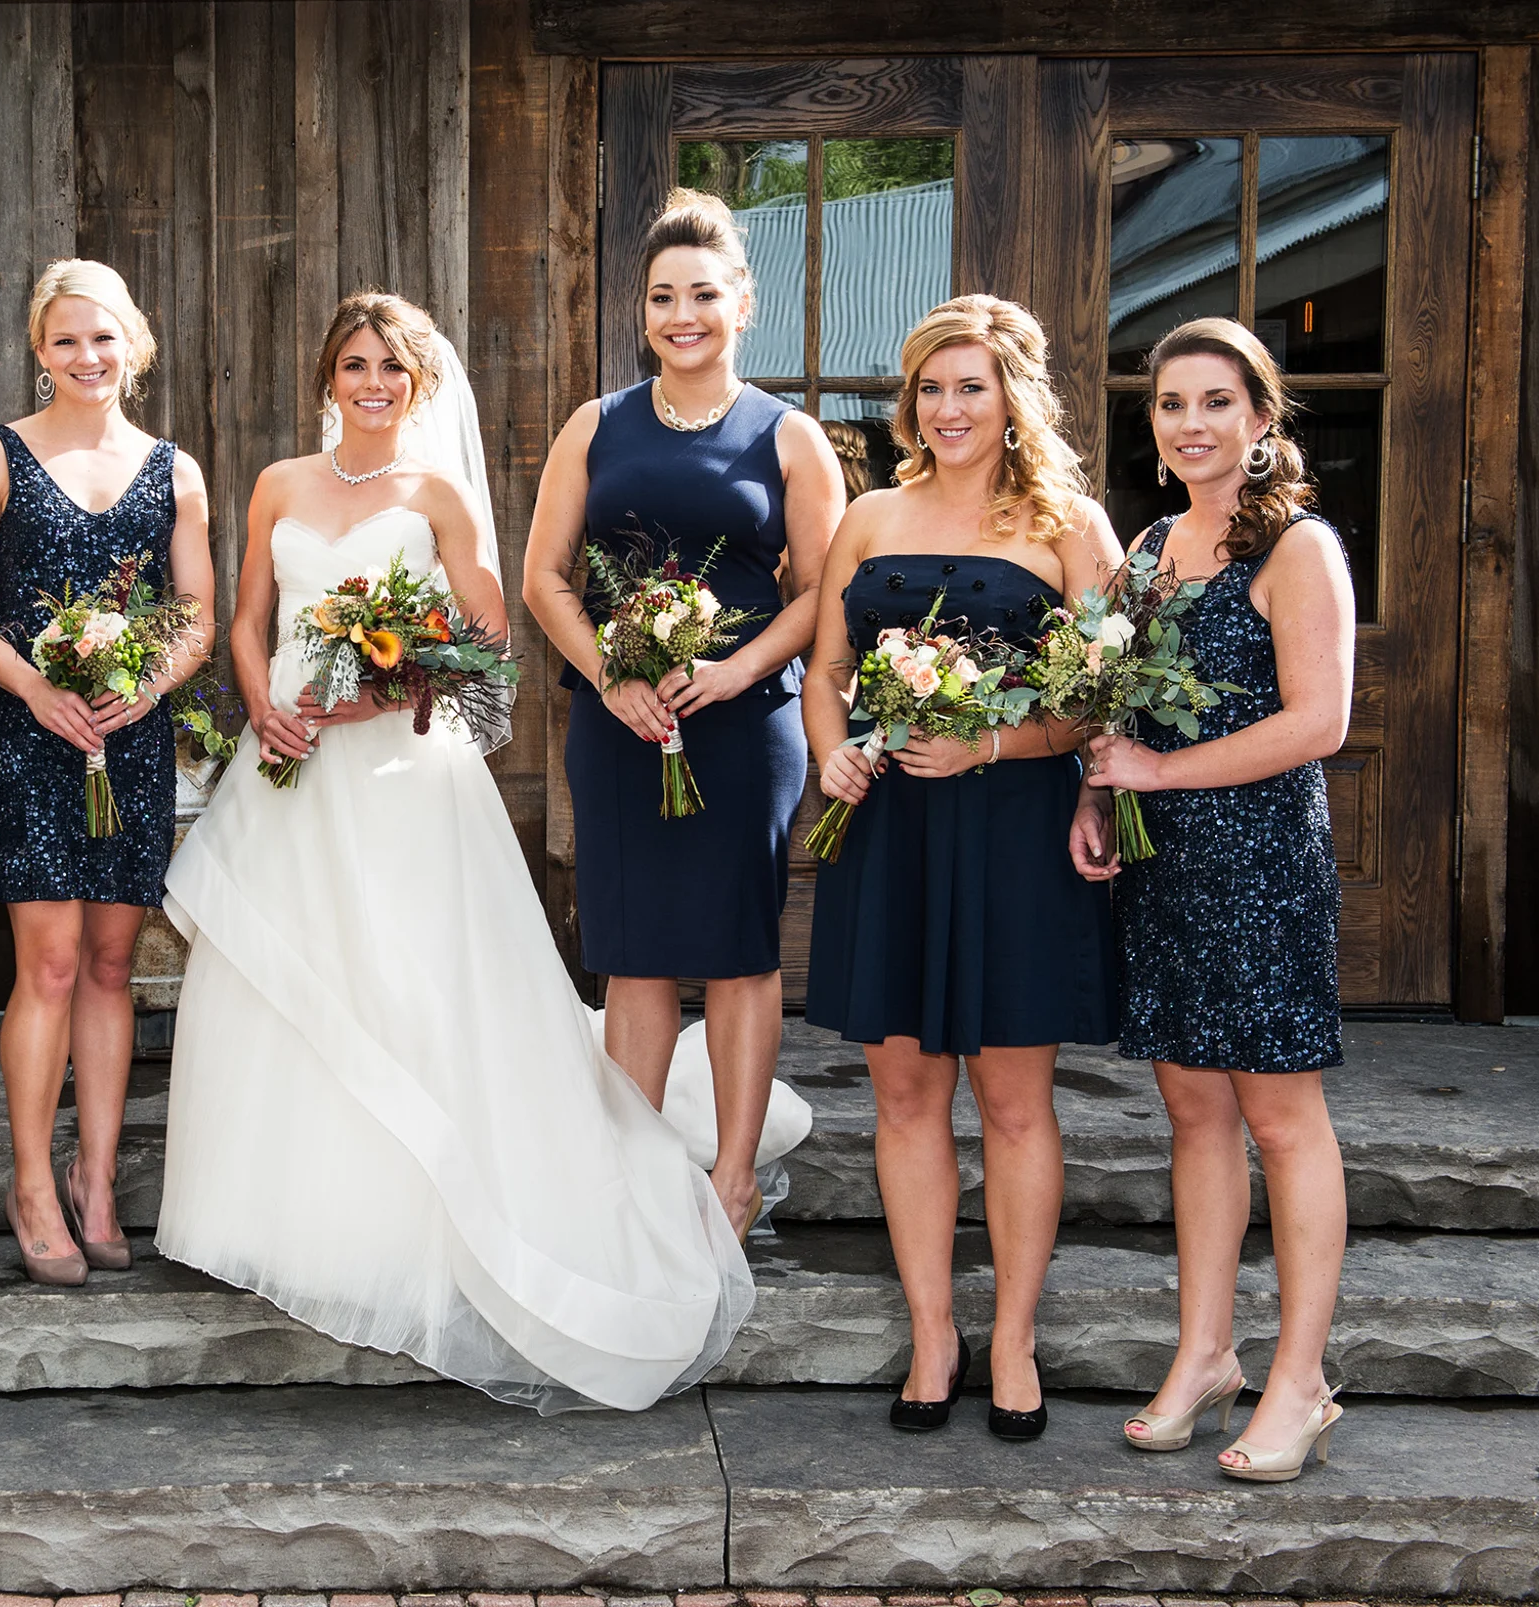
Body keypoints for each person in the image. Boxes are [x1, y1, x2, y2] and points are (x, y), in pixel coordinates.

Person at [161, 292, 790, 1412]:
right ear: (328, 376)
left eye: (390, 368)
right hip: (288, 761)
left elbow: (488, 633)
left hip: (397, 770)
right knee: (282, 977)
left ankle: (406, 1220)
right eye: (354, 364)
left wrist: (381, 686)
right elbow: (249, 618)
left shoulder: (437, 494)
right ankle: (275, 1217)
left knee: (405, 981)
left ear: (417, 385)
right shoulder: (278, 484)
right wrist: (263, 705)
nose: (372, 384)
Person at [803, 294, 1123, 1441]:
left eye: (969, 387)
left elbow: (1103, 696)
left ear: (1011, 398)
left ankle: (1017, 1339)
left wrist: (992, 742)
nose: (947, 408)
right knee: (902, 1093)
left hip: (1013, 831)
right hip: (890, 827)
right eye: (930, 388)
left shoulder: (1068, 523)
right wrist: (829, 750)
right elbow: (826, 670)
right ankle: (933, 1333)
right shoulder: (869, 515)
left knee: (1013, 1100)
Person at [522, 187, 845, 1242]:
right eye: (663, 297)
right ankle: (630, 1177)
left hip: (743, 724)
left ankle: (732, 1178)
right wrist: (607, 677)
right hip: (617, 726)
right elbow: (544, 577)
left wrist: (737, 669)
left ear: (741, 303)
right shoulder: (595, 424)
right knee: (636, 950)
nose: (682, 315)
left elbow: (825, 591)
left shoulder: (790, 437)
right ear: (644, 311)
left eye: (703, 294)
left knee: (740, 949)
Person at [1074, 316, 1354, 1483]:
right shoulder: (1148, 546)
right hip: (1164, 866)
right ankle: (1204, 1353)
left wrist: (1158, 770)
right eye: (1171, 404)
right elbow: (1115, 703)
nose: (1191, 423)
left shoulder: (1297, 546)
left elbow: (1318, 721)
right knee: (1192, 1109)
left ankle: (1301, 1378)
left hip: (1260, 863)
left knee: (1280, 1118)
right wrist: (1097, 792)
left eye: (1215, 402)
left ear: (1260, 417)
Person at [0, 259, 216, 1287]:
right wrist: (33, 690)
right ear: (39, 349)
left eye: (103, 337)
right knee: (49, 966)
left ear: (132, 345)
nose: (86, 356)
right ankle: (29, 1182)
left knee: (111, 965)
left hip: (129, 733)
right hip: (30, 734)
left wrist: (146, 684)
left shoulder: (174, 470)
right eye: (66, 339)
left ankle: (94, 1179)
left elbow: (196, 615)